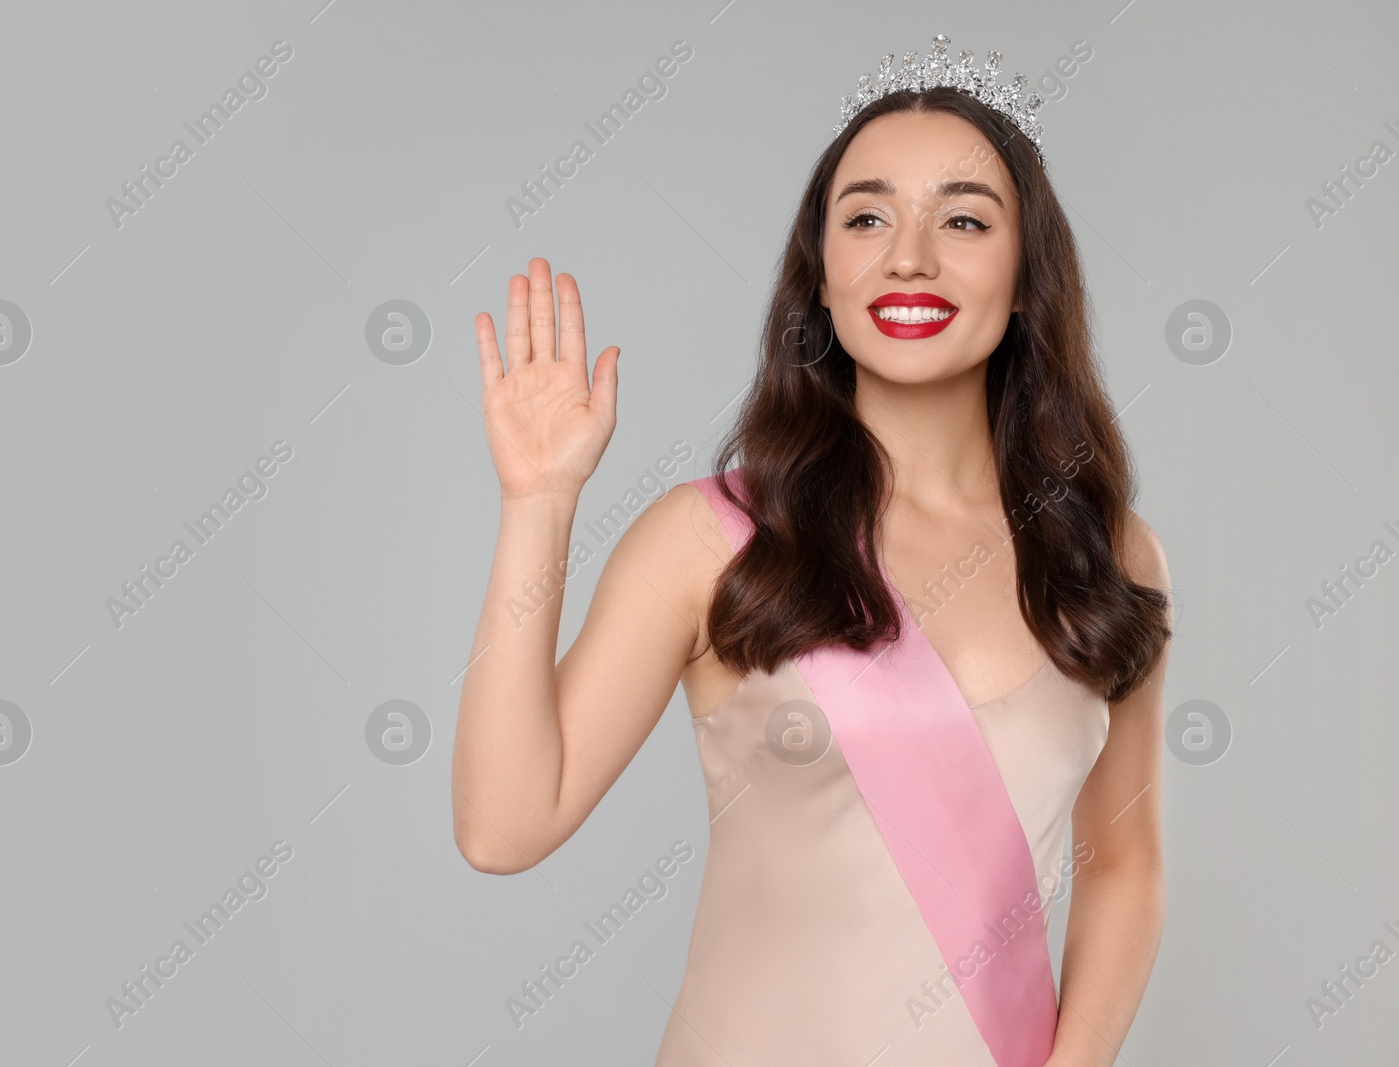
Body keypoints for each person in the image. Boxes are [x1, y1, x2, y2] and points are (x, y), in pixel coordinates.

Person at [452, 35, 1170, 1067]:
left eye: (963, 220)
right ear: (819, 278)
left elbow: (1124, 866)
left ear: (1025, 280)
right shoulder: (711, 541)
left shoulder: (1106, 549)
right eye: (866, 216)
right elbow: (502, 825)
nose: (908, 255)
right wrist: (538, 501)